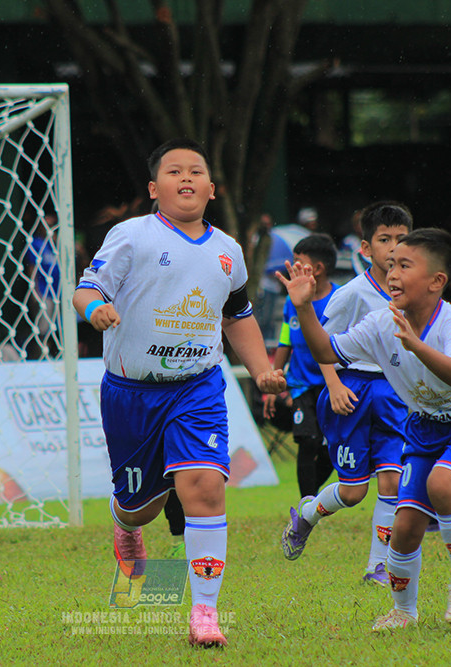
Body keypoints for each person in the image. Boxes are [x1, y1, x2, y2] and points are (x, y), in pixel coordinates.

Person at [72, 138, 285, 648]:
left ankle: (205, 613)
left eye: (195, 172)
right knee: (139, 507)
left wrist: (261, 371)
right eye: (173, 171)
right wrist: (94, 309)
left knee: (206, 489)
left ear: (211, 189)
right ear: (153, 188)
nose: (185, 178)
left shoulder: (227, 251)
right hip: (131, 394)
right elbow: (86, 288)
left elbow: (238, 317)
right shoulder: (131, 236)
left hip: (198, 388)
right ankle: (127, 523)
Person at [277, 227, 451, 631]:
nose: (393, 273)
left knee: (442, 486)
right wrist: (303, 309)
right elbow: (325, 351)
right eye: (391, 264)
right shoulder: (380, 322)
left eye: (405, 265)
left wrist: (416, 345)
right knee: (403, 530)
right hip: (424, 429)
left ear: (437, 281)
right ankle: (403, 611)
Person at [280, 202, 411, 588]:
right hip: (351, 390)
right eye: (384, 239)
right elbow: (323, 345)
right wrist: (334, 385)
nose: (393, 248)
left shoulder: (414, 290)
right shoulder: (351, 294)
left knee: (391, 483)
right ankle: (307, 514)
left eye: (401, 239)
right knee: (354, 493)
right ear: (366, 249)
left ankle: (378, 567)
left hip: (392, 393)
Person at [263, 233, 339, 499]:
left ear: (316, 269)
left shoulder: (340, 300)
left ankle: (313, 499)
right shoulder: (290, 301)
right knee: (308, 442)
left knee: (332, 447)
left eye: (297, 263)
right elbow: (286, 341)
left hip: (335, 386)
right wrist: (274, 383)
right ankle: (306, 506)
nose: (291, 268)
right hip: (301, 385)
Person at [24, 212, 61, 359]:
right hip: (44, 293)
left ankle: (55, 356)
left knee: (58, 329)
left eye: (52, 226)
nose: (49, 229)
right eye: (47, 225)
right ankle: (38, 358)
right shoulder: (35, 243)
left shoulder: (58, 244)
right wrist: (35, 292)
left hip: (60, 294)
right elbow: (31, 270)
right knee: (43, 329)